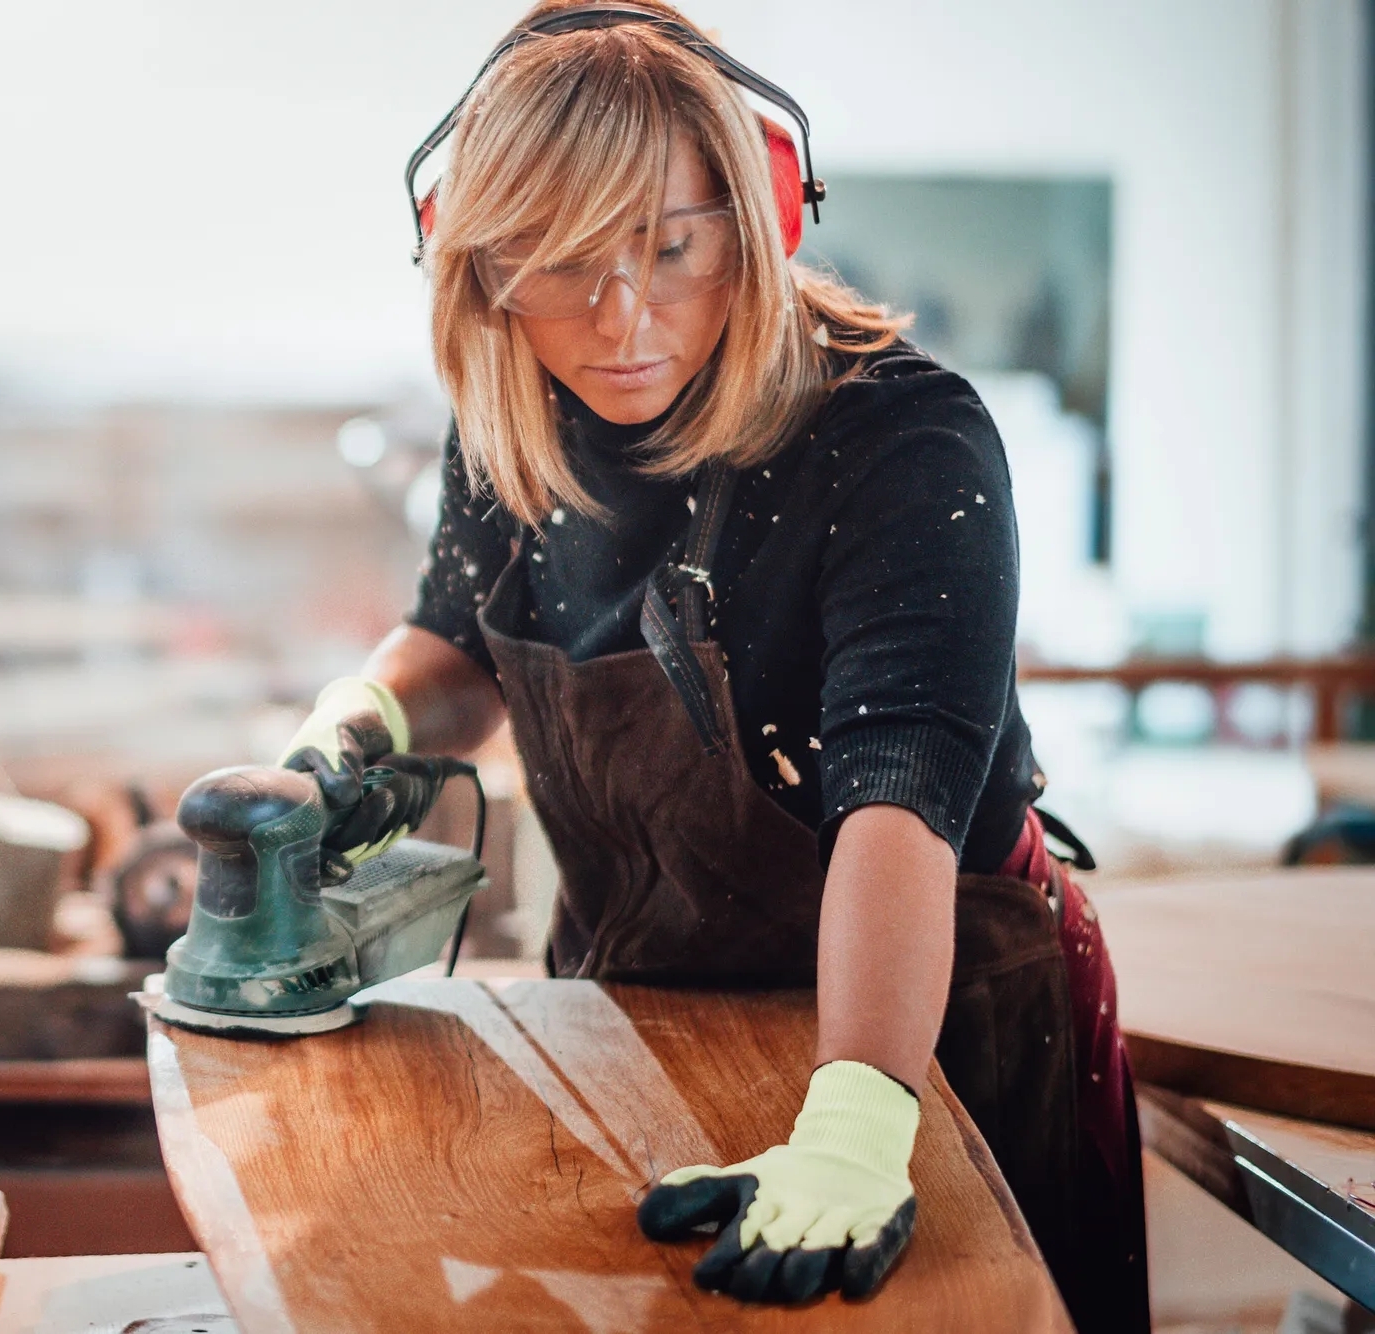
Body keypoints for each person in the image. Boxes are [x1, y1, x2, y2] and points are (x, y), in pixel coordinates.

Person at [275, 2, 1148, 1328]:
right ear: (483, 266)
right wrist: (365, 721)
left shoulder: (900, 440)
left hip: (935, 1036)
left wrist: (859, 1119)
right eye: (564, 265)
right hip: (650, 1014)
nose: (624, 317)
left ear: (762, 214)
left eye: (672, 249)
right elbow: (461, 643)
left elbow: (896, 800)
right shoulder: (517, 422)